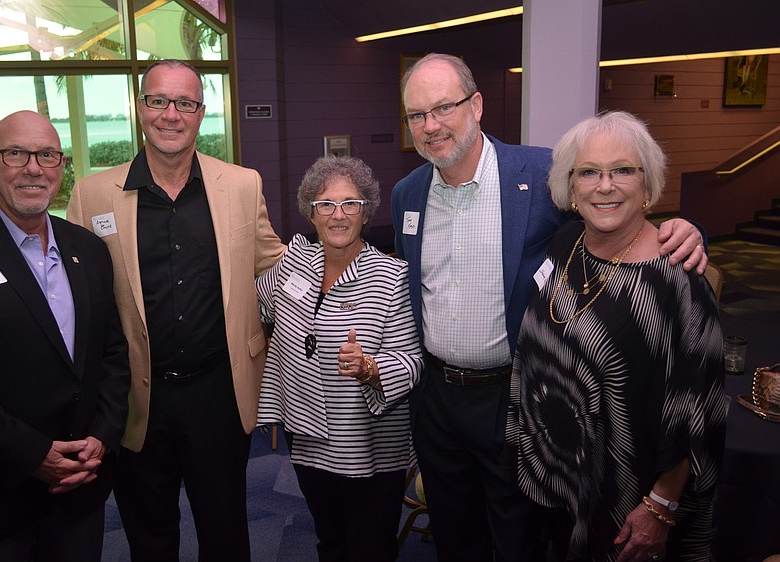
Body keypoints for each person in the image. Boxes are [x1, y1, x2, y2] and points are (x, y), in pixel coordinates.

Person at [389, 53, 709, 561]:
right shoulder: (406, 194)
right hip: (437, 402)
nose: (430, 127)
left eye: (443, 108)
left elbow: (615, 210)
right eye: (416, 115)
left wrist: (688, 231)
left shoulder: (540, 174)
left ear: (476, 106)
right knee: (453, 534)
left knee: (517, 538)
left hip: (514, 398)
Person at [66, 60, 285, 561]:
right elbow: (77, 295)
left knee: (227, 532)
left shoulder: (241, 184)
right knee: (150, 535)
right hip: (138, 398)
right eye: (159, 101)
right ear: (140, 107)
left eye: (185, 103)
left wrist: (353, 268)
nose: (172, 114)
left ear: (201, 113)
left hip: (219, 392)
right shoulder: (93, 193)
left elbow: (277, 266)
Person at [507, 110, 726, 561]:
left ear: (649, 185)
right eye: (588, 172)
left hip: (627, 492)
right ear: (571, 187)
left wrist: (660, 505)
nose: (604, 186)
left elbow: (695, 410)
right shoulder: (564, 243)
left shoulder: (678, 281)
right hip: (556, 476)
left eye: (623, 170)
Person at [0, 110, 130, 561]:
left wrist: (103, 435)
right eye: (16, 153)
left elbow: (113, 353)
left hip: (80, 487)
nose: (33, 168)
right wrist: (32, 455)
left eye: (47, 155)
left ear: (63, 166)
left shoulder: (88, 250)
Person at [256, 155, 423, 562]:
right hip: (307, 435)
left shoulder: (391, 276)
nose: (338, 215)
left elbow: (413, 358)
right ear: (310, 213)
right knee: (329, 539)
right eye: (325, 204)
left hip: (367, 444)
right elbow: (258, 307)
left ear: (366, 212)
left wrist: (370, 368)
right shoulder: (295, 262)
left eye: (350, 203)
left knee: (370, 547)